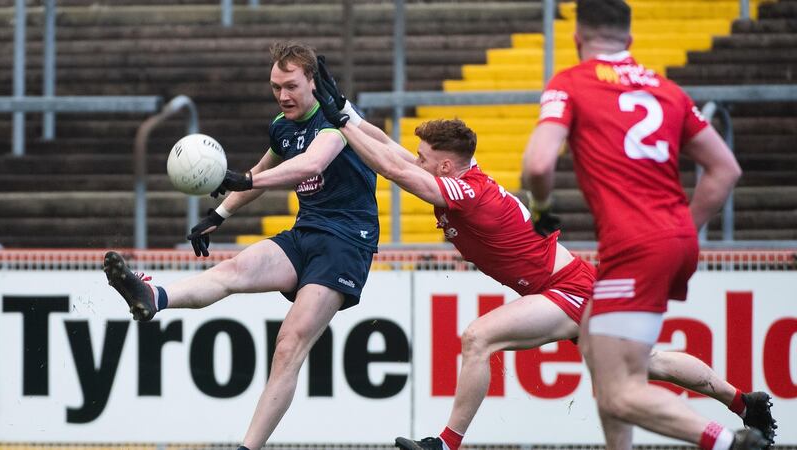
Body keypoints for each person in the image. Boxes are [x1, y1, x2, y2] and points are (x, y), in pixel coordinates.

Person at [310, 61, 776, 450]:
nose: (417, 160)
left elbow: (393, 167)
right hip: (573, 284)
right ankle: (743, 402)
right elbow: (395, 153)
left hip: (566, 289)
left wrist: (342, 124)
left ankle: (446, 444)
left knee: (478, 338)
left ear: (446, 165)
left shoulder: (466, 193)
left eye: (424, 156)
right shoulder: (458, 177)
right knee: (647, 364)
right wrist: (346, 111)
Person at [521, 1, 776, 450]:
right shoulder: (667, 89)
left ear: (578, 39)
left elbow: (539, 164)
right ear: (631, 41)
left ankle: (729, 443)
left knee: (621, 391)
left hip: (635, 247)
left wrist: (541, 208)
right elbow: (725, 170)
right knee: (595, 346)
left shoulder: (571, 83)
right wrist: (684, 227)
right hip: (673, 240)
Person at [103, 41, 379, 450]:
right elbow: (261, 171)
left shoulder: (336, 121)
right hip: (306, 233)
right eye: (275, 87)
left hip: (345, 245)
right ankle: (154, 295)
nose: (283, 96)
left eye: (291, 86)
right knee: (231, 271)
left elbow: (309, 165)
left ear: (313, 82)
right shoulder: (282, 127)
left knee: (289, 343)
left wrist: (245, 180)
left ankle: (247, 447)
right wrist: (219, 215)